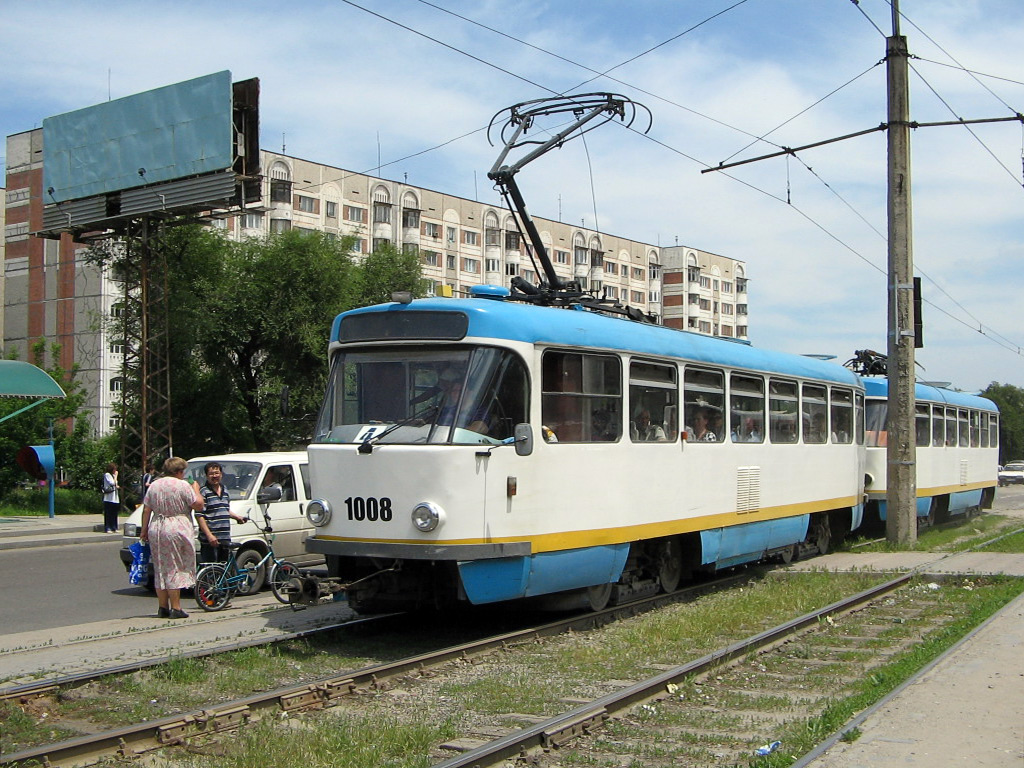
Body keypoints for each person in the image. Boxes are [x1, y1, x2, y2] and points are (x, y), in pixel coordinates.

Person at [139, 456, 205, 619]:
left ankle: (163, 607)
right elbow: (198, 504)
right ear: (179, 472)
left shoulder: (154, 485)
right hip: (176, 526)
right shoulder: (183, 485)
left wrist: (144, 530)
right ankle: (176, 607)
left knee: (160, 566)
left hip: (157, 525)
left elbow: (147, 509)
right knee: (174, 566)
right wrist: (195, 489)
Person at [195, 462, 247, 563]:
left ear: (221, 474)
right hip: (210, 541)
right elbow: (199, 515)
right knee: (211, 570)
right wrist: (209, 536)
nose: (215, 476)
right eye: (211, 474)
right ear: (206, 476)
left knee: (223, 569)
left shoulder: (225, 490)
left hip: (225, 539)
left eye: (217, 473)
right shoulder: (204, 492)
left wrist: (237, 517)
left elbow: (224, 509)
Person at [102, 462, 120, 533]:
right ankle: (108, 527)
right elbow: (112, 483)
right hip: (108, 498)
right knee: (108, 513)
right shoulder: (107, 475)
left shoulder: (112, 475)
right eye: (114, 469)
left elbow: (115, 484)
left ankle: (114, 527)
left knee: (114, 513)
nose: (115, 471)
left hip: (115, 498)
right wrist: (116, 476)